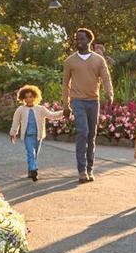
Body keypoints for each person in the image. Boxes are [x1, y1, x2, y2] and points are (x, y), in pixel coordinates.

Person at [62, 27, 114, 183]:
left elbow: (105, 78)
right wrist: (66, 105)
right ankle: (81, 171)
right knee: (82, 132)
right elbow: (65, 84)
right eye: (77, 39)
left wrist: (109, 93)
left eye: (81, 39)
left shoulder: (99, 60)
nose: (78, 41)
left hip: (93, 101)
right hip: (77, 101)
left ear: (89, 40)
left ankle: (90, 169)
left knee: (91, 135)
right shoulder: (70, 61)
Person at [9, 84, 63, 181]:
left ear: (35, 97)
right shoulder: (20, 110)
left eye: (31, 96)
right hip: (27, 136)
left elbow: (52, 115)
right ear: (22, 98)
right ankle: (34, 170)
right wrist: (13, 133)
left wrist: (63, 113)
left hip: (38, 136)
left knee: (35, 154)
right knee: (31, 153)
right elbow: (16, 122)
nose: (28, 99)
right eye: (26, 97)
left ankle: (30, 170)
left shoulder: (40, 109)